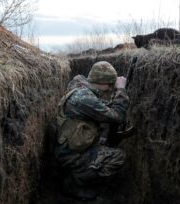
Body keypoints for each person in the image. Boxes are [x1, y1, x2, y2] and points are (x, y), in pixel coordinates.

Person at [54, 61, 129, 200]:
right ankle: (75, 182)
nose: (110, 89)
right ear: (101, 81)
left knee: (104, 142)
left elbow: (101, 107)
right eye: (110, 85)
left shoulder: (81, 89)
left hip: (69, 145)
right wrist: (121, 90)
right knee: (118, 156)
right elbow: (118, 116)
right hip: (69, 155)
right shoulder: (84, 99)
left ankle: (75, 172)